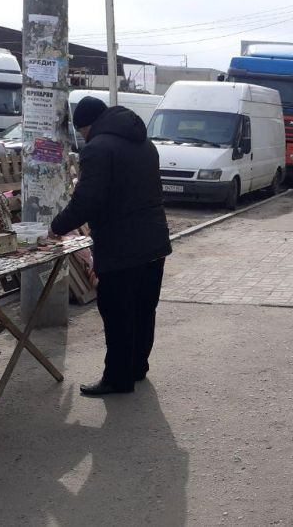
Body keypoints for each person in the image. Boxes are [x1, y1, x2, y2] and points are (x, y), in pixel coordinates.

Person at [50, 96, 172, 396]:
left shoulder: (98, 148)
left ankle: (118, 379)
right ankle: (137, 367)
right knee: (144, 309)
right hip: (154, 242)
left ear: (87, 126)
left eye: (81, 132)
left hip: (121, 246)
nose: (83, 138)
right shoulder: (145, 144)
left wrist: (55, 228)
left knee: (117, 312)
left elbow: (87, 201)